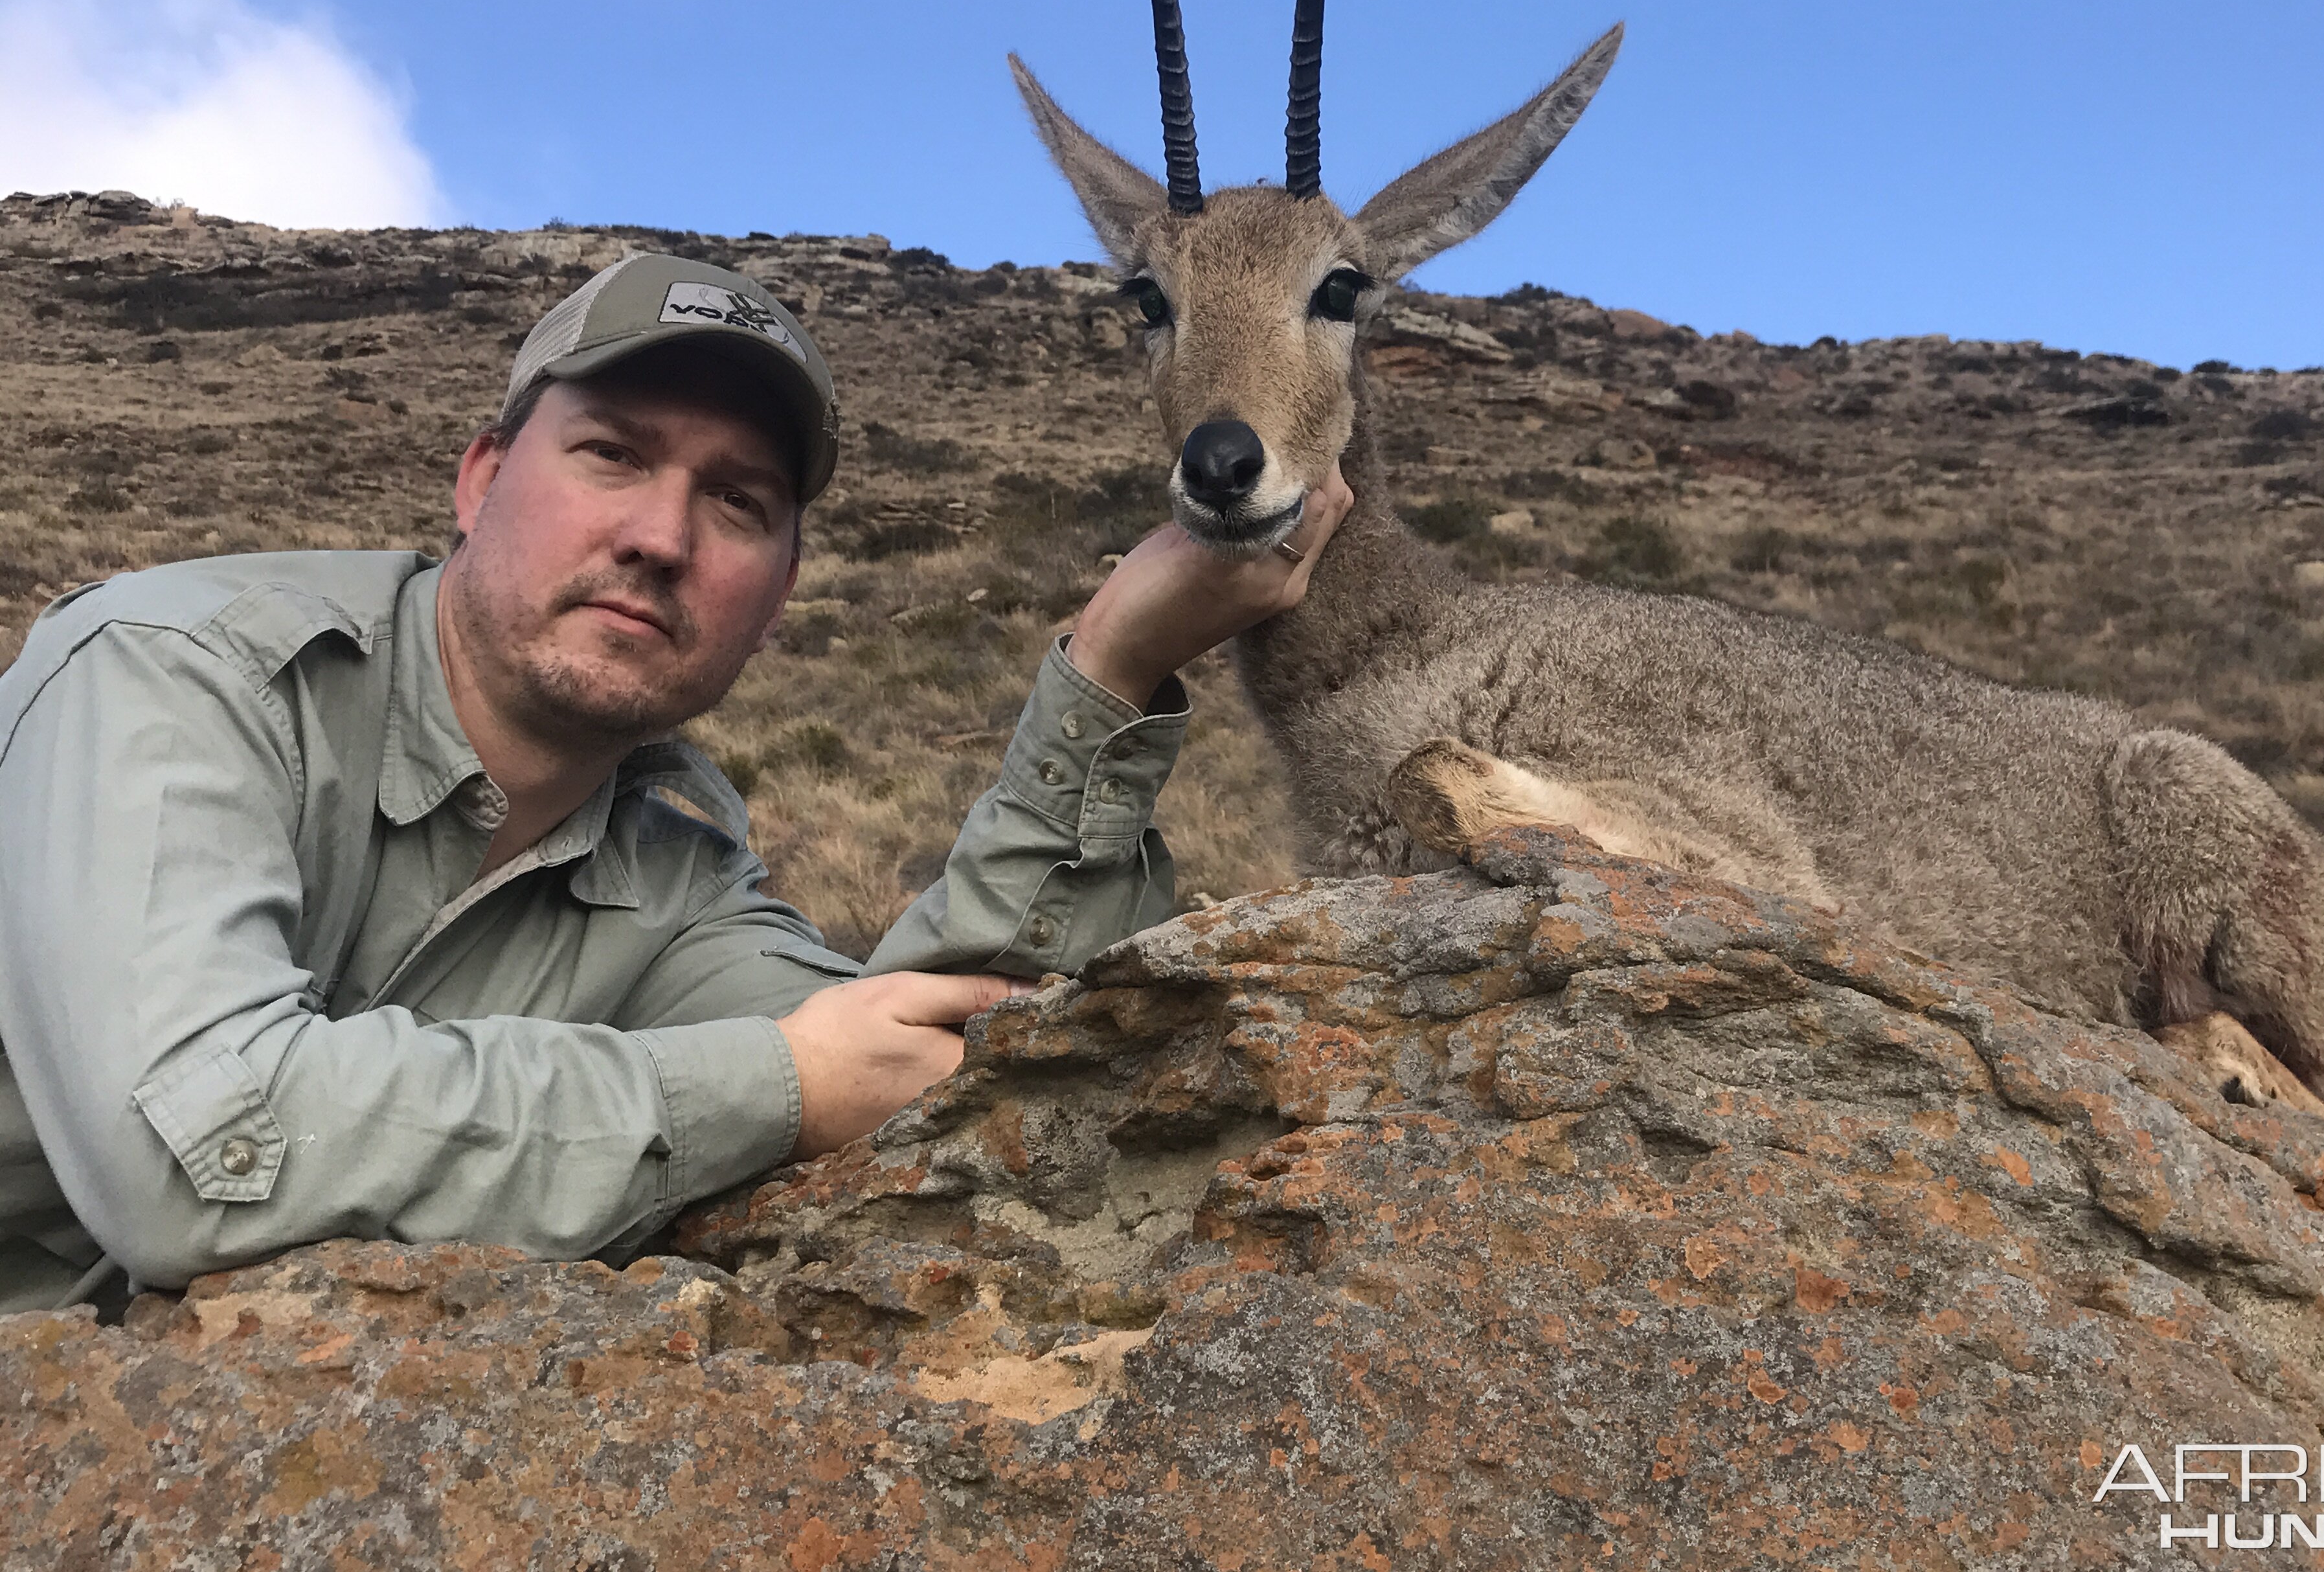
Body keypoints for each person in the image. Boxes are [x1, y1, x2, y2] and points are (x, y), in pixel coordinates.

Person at [0, 251, 1348, 1316]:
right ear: (479, 481)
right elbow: (190, 1155)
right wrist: (762, 1089)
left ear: (779, 599)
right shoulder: (174, 673)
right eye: (612, 456)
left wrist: (1109, 672)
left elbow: (929, 1059)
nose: (659, 537)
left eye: (740, 503)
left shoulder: (677, 872)